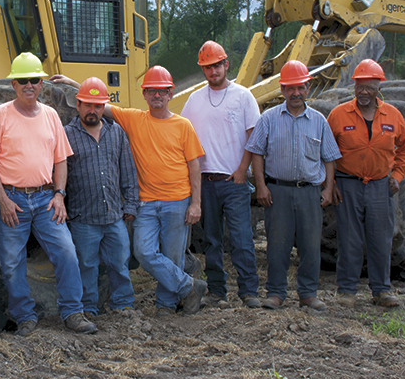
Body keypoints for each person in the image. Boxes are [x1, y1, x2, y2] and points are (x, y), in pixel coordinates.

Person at [52, 66, 208, 317]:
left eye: (162, 91)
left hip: (176, 202)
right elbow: (96, 101)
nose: (157, 95)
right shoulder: (132, 119)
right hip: (139, 205)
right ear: (144, 94)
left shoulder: (182, 126)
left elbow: (194, 166)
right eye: (151, 91)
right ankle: (189, 287)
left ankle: (164, 305)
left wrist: (195, 203)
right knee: (141, 252)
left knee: (170, 257)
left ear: (170, 94)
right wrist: (72, 82)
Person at [0, 52, 97, 336]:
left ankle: (72, 312)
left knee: (67, 253)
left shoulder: (51, 115)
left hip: (46, 199)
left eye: (34, 79)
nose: (29, 85)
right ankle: (25, 317)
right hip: (13, 200)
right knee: (11, 262)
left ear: (41, 84)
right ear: (14, 84)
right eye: (23, 80)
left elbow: (60, 159)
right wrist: (3, 199)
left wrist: (60, 194)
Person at [245, 60, 341, 312]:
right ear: (282, 90)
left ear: (308, 87)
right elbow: (256, 152)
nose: (295, 93)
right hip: (278, 191)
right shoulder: (268, 118)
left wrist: (328, 189)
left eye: (300, 87)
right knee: (278, 244)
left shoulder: (319, 121)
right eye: (290, 88)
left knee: (311, 245)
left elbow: (329, 157)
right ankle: (276, 293)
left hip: (310, 192)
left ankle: (308, 294)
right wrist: (262, 186)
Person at [327, 59, 405, 309]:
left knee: (380, 239)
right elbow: (327, 152)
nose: (364, 92)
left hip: (380, 186)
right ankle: (347, 291)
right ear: (353, 86)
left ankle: (381, 291)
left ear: (378, 87)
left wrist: (397, 175)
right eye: (360, 87)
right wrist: (329, 184)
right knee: (349, 239)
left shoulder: (393, 115)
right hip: (347, 185)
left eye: (369, 87)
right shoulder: (339, 114)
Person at [181, 41, 261, 309]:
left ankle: (249, 291)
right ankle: (217, 291)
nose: (212, 71)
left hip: (234, 181)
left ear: (226, 65)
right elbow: (182, 135)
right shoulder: (195, 100)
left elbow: (254, 137)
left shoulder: (243, 96)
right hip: (205, 182)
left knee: (241, 239)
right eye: (207, 67)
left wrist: (242, 170)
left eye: (216, 65)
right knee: (212, 241)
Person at [64, 77, 140, 315]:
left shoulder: (116, 132)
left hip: (114, 216)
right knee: (86, 266)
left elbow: (127, 170)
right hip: (83, 217)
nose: (92, 110)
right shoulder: (67, 134)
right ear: (78, 105)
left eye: (97, 106)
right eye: (87, 104)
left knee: (119, 263)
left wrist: (131, 204)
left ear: (104, 106)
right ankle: (88, 308)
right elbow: (60, 174)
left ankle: (123, 304)